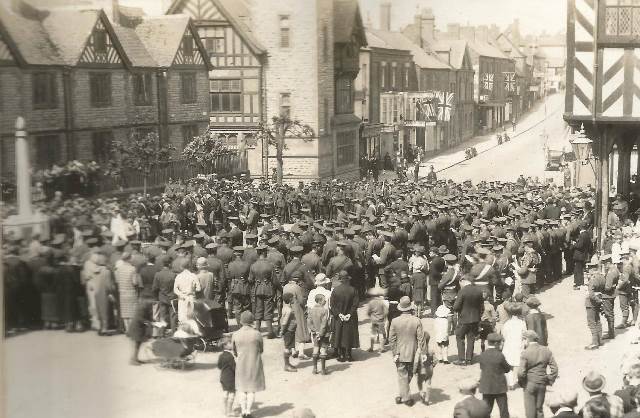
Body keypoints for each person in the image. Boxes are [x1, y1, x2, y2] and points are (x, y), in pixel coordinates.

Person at [389, 296, 426, 407]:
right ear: (411, 308)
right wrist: (423, 353)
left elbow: (392, 339)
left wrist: (395, 353)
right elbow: (421, 338)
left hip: (399, 353)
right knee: (409, 374)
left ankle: (404, 396)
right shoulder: (416, 320)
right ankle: (405, 397)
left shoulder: (395, 321)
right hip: (413, 353)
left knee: (402, 375)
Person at [518, 330, 559, 418]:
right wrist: (549, 380)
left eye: (523, 340)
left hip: (529, 383)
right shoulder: (546, 350)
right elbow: (555, 369)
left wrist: (522, 383)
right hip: (542, 383)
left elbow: (521, 373)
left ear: (526, 339)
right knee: (539, 409)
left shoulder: (525, 353)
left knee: (530, 412)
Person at [232, 311, 265, 418]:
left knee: (242, 388)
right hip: (254, 363)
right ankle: (248, 411)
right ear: (252, 321)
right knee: (251, 388)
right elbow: (261, 349)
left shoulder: (235, 334)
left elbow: (234, 351)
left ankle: (242, 411)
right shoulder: (257, 334)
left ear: (241, 321)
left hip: (241, 364)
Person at [453, 274, 484, 365]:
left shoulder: (462, 291)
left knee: (460, 337)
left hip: (463, 319)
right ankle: (469, 359)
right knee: (471, 338)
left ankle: (462, 359)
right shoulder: (478, 291)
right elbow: (482, 307)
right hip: (475, 319)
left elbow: (456, 307)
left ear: (463, 281)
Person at [478, 333, 511, 418]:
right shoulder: (499, 355)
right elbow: (507, 369)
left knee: (486, 411)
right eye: (500, 343)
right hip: (499, 387)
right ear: (496, 343)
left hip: (486, 387)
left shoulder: (482, 355)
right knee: (503, 410)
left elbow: (482, 367)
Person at [330, 271, 360, 362]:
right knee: (349, 334)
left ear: (340, 280)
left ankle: (342, 355)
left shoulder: (335, 290)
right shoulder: (353, 290)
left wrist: (339, 314)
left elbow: (332, 305)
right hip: (350, 316)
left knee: (340, 333)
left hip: (339, 316)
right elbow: (355, 304)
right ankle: (349, 355)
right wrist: (349, 314)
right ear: (347, 280)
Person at [501, 304, 526, 390]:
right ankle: (514, 381)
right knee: (516, 363)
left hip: (509, 344)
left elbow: (504, 335)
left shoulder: (507, 323)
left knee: (509, 363)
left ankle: (510, 382)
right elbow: (524, 335)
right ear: (519, 313)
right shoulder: (522, 323)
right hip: (518, 344)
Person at [307, 293, 330, 375]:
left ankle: (315, 368)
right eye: (324, 300)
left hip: (315, 333)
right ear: (320, 301)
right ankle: (323, 370)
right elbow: (324, 324)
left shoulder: (311, 310)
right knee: (323, 349)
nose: (325, 301)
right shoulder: (324, 310)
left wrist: (315, 331)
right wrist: (320, 333)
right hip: (324, 334)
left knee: (316, 348)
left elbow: (309, 322)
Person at [173, 258, 201, 324]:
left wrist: (181, 294)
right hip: (191, 298)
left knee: (182, 318)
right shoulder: (193, 276)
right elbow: (199, 288)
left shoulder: (178, 276)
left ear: (181, 267)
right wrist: (192, 291)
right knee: (192, 318)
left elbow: (175, 289)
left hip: (182, 299)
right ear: (189, 266)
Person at [127, 299, 153, 365]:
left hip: (139, 328)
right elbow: (139, 318)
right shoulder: (142, 307)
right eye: (152, 300)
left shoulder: (147, 305)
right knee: (137, 344)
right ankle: (133, 359)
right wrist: (147, 322)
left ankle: (135, 358)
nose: (153, 302)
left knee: (138, 344)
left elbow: (148, 317)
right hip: (136, 328)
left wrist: (152, 321)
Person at [218, 337, 237, 417]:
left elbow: (219, 366)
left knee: (225, 392)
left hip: (223, 377)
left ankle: (225, 410)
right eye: (230, 343)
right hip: (231, 378)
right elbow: (234, 368)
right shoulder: (230, 356)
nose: (232, 345)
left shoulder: (221, 355)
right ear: (225, 345)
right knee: (232, 393)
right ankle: (229, 411)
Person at [366, 287, 388, 353]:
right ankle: (382, 348)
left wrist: (371, 316)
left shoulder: (371, 302)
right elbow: (386, 311)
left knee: (373, 334)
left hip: (374, 321)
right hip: (381, 320)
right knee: (382, 334)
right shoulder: (381, 302)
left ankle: (371, 347)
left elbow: (368, 312)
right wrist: (383, 316)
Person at [279, 293, 298, 372]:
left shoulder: (286, 307)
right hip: (288, 331)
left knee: (289, 347)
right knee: (287, 348)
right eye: (293, 298)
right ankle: (286, 365)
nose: (294, 299)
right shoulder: (289, 310)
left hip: (290, 330)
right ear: (290, 299)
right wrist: (282, 331)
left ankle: (288, 363)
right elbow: (284, 322)